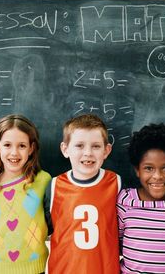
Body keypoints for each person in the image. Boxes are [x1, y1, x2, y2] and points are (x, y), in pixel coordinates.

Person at [45, 114, 121, 273]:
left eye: (96, 146)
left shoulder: (116, 183)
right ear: (65, 149)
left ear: (106, 150)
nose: (88, 153)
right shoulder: (53, 186)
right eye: (79, 145)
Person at [117, 123, 165, 273]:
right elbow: (116, 245)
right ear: (137, 170)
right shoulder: (125, 202)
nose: (158, 176)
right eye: (148, 168)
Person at [0, 114, 51, 273]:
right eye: (7, 145)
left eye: (22, 146)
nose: (14, 153)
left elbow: (51, 222)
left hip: (37, 268)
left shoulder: (43, 181)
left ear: (31, 148)